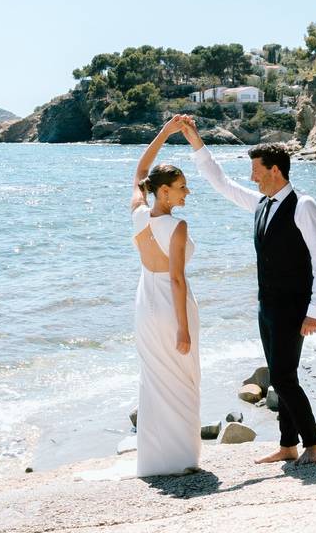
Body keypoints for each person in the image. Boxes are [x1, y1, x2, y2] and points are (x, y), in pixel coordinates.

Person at [181, 117, 316, 466]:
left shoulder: (304, 206)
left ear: (275, 171)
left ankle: (315, 444)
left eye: (257, 171)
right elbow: (222, 183)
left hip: (294, 306)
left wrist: (315, 310)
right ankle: (288, 446)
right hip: (267, 306)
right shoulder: (261, 204)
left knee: (282, 377)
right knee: (282, 374)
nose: (251, 177)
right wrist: (195, 142)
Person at [129, 114, 201, 476]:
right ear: (164, 191)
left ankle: (155, 460)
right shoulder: (176, 225)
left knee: (155, 380)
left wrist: (164, 132)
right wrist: (183, 329)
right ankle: (182, 459)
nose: (187, 192)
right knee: (183, 378)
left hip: (145, 304)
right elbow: (176, 280)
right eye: (182, 187)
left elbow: (141, 168)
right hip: (172, 307)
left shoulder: (139, 214)